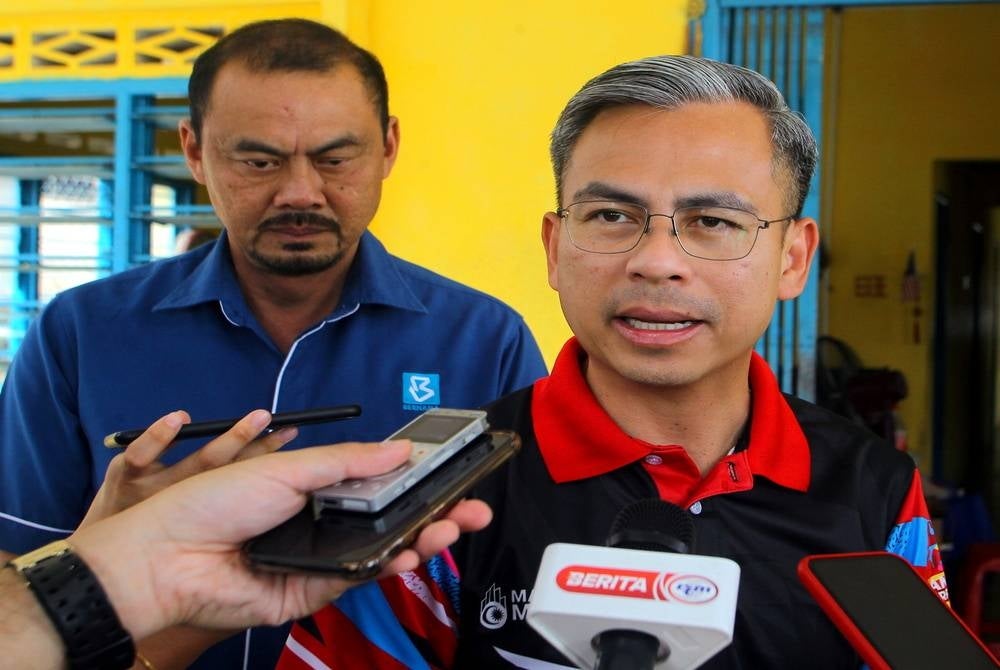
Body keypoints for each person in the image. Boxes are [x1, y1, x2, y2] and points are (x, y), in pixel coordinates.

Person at [281, 56, 947, 669]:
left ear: (793, 259)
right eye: (609, 215)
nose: (656, 260)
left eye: (713, 221)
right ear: (554, 245)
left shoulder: (875, 492)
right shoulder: (438, 495)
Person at [0, 18, 545, 669]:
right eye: (258, 161)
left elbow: (514, 576)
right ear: (194, 152)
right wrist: (113, 559)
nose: (299, 192)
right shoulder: (79, 333)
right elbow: (15, 559)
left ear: (389, 148)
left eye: (335, 158)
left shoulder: (486, 339)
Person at [0, 411, 492, 670]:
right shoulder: (75, 322)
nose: (301, 209)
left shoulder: (486, 329)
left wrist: (128, 566)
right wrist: (126, 562)